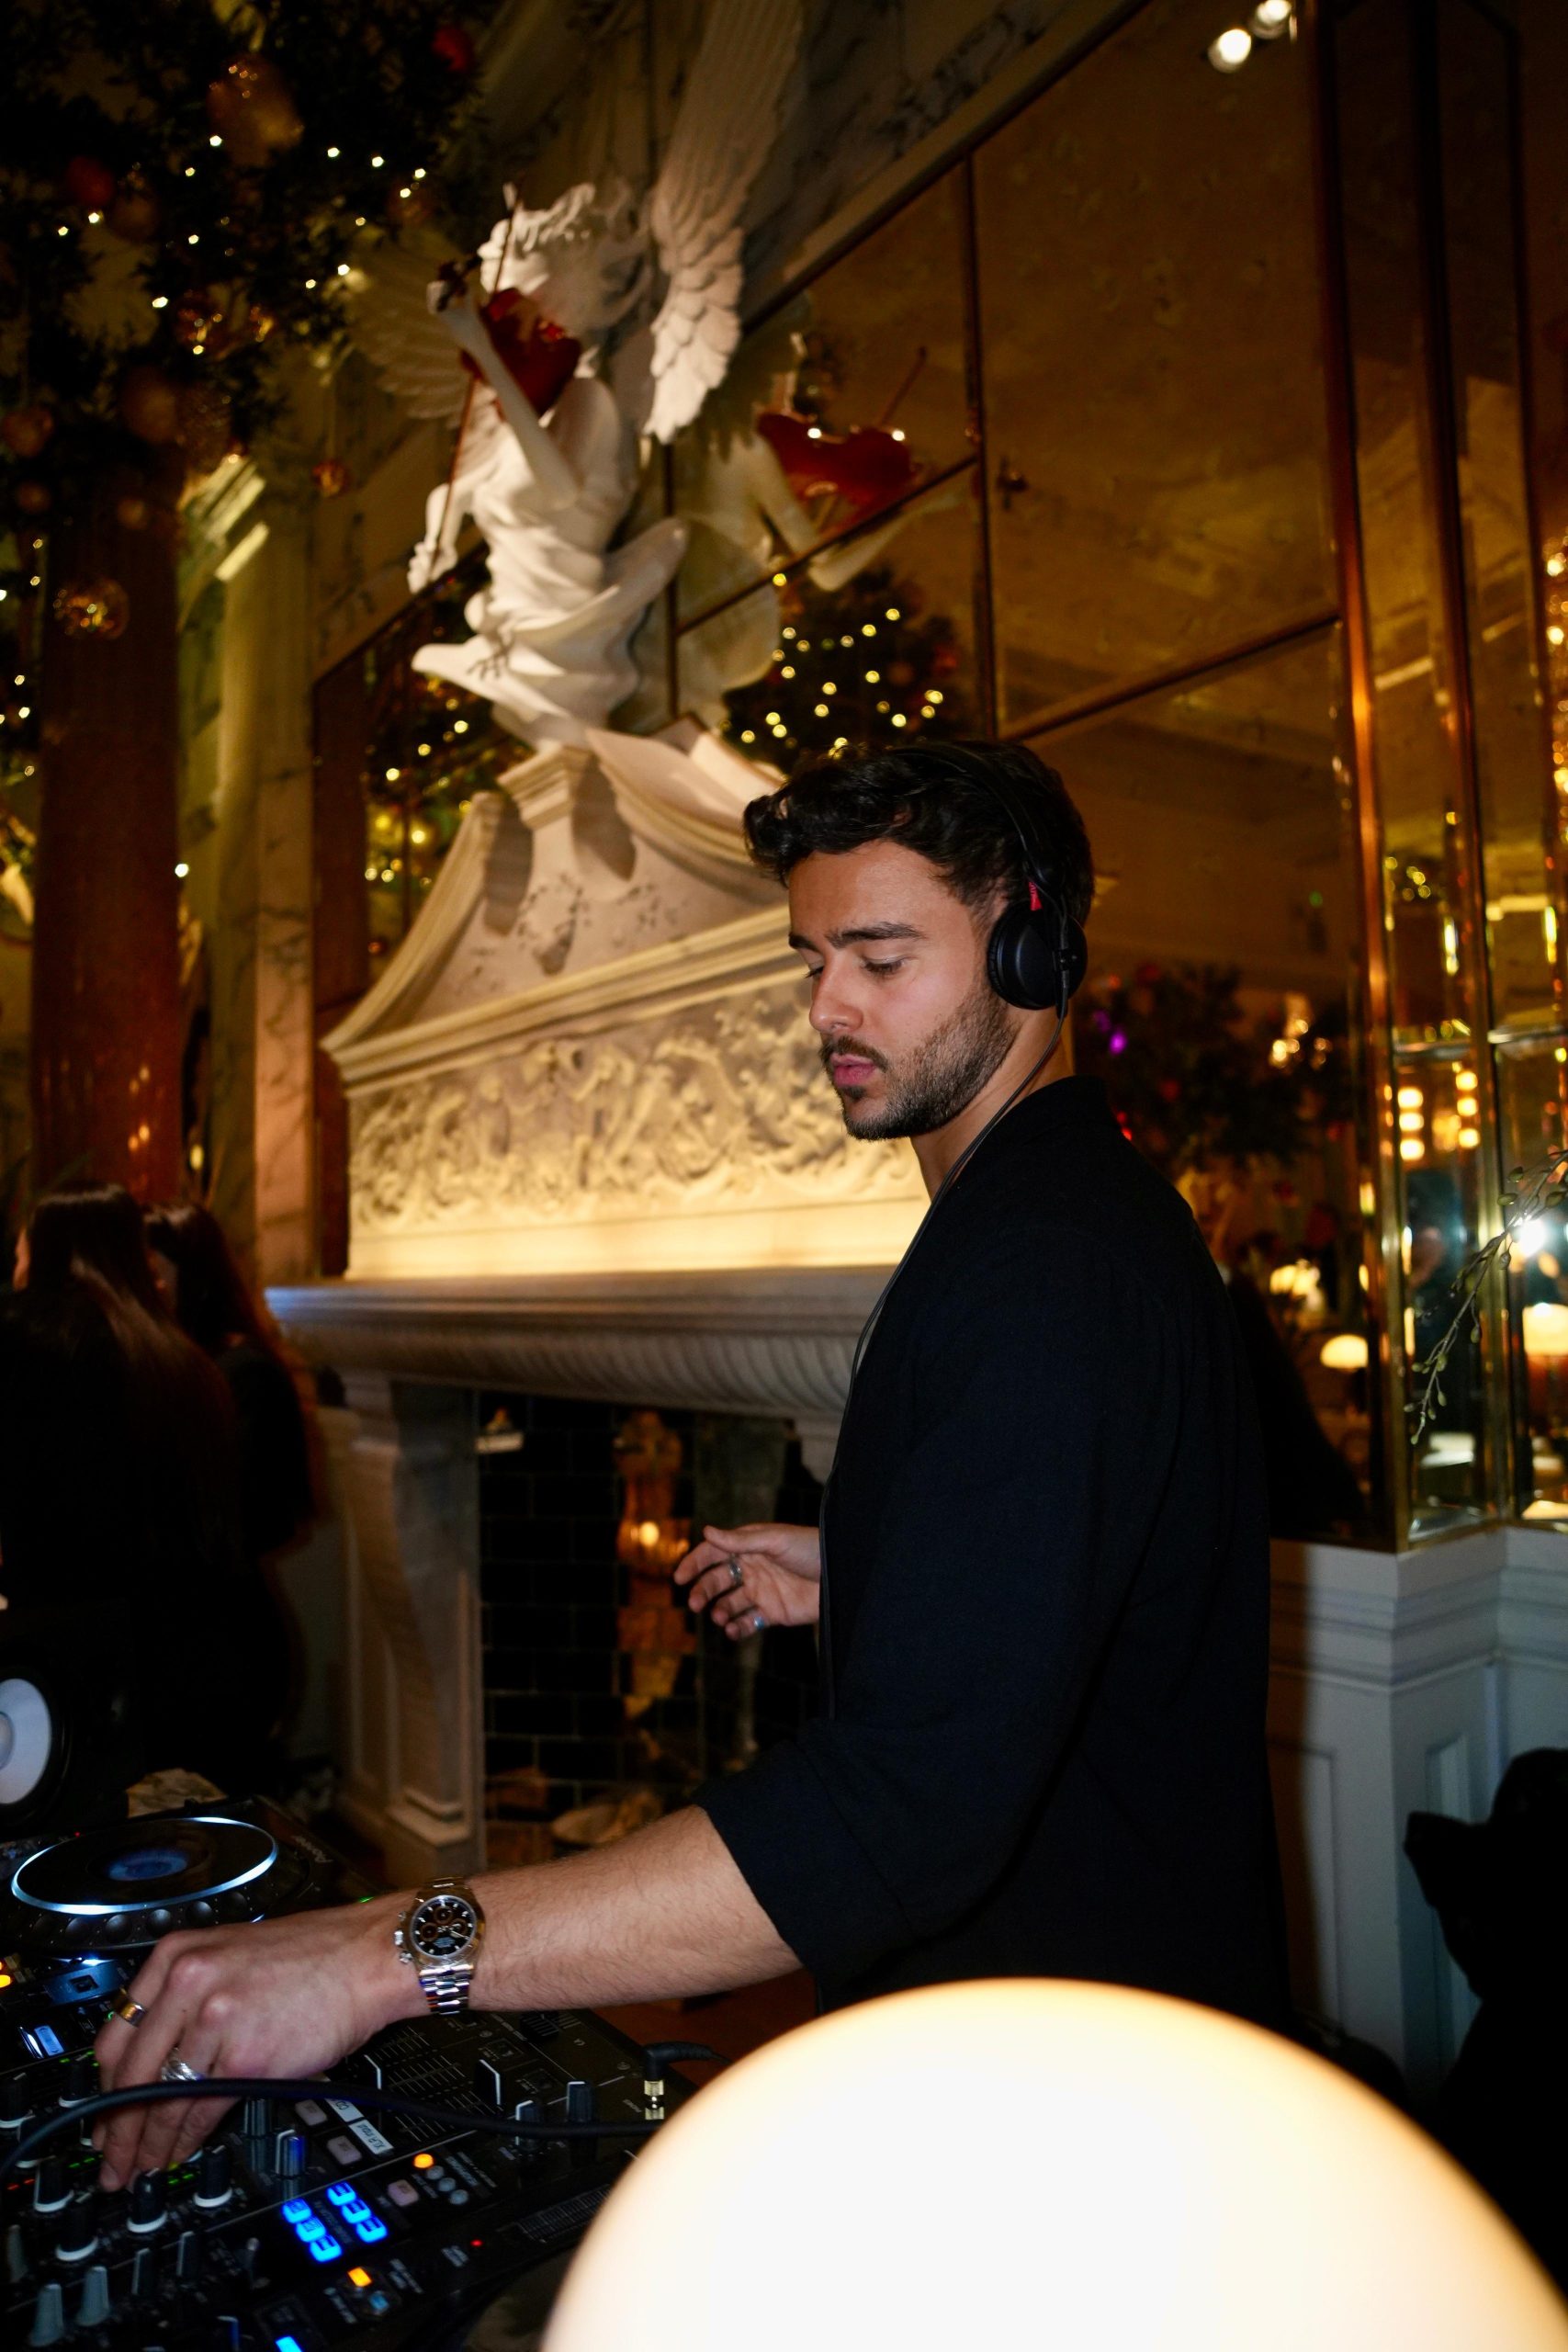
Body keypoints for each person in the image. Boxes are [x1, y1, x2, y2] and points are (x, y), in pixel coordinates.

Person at [95, 740, 1287, 2186]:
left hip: (1085, 2125)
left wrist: (381, 1954)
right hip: (1044, 2065)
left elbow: (892, 1817)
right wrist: (872, 1566)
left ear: (1031, 946)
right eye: (810, 961)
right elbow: (1078, 1582)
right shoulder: (1044, 1216)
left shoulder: (1045, 1267)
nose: (825, 1007)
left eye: (879, 957)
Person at [0, 1181, 242, 1780]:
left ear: (50, 1253)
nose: (16, 1269)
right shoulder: (178, 1357)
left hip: (79, 1673)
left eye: (21, 1254)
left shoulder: (32, 1337)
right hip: (198, 1659)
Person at [143, 1199, 315, 1785]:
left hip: (225, 1649)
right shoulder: (179, 1368)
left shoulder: (240, 1372)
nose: (146, 1291)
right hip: (194, 1645)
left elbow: (246, 1521)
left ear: (193, 1277)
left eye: (155, 1275)